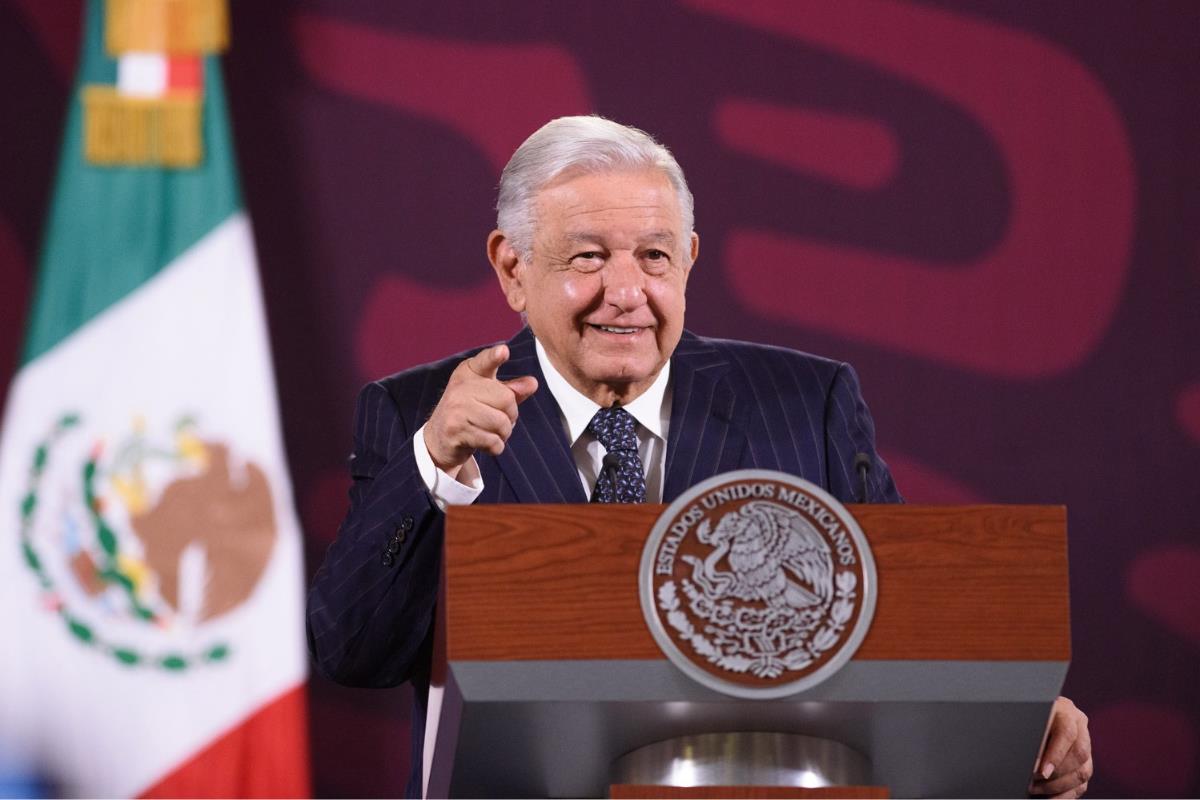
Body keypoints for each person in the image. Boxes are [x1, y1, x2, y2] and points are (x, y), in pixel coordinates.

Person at [307, 116, 1091, 798]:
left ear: (687, 260)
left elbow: (899, 624)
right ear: (513, 269)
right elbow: (354, 652)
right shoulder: (423, 417)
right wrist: (435, 468)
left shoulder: (806, 403)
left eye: (653, 257)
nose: (626, 291)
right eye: (586, 258)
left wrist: (1017, 706)